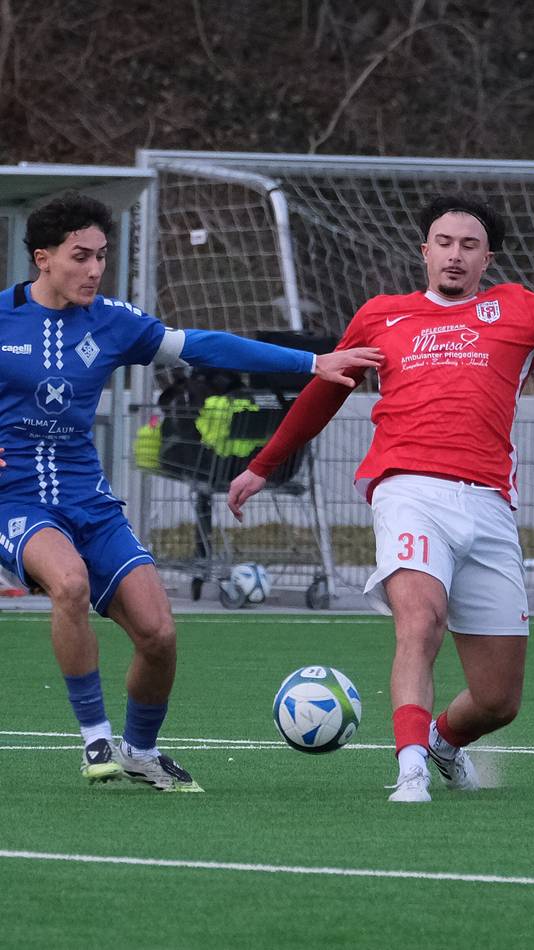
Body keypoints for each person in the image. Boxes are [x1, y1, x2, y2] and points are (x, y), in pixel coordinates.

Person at [228, 193, 534, 803]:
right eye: (444, 243)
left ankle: (444, 743)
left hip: (490, 504)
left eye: (469, 246)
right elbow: (325, 391)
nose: (454, 255)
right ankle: (411, 767)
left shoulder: (518, 308)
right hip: (407, 489)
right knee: (420, 622)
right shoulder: (381, 315)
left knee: (499, 699)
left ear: (486, 257)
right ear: (424, 251)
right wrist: (263, 463)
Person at [0, 192, 382, 792]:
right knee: (68, 582)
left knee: (159, 634)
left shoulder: (111, 321)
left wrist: (310, 362)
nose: (95, 270)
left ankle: (141, 752)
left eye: (102, 256)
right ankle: (94, 737)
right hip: (14, 499)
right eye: (81, 256)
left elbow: (202, 345)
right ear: (42, 258)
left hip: (88, 500)